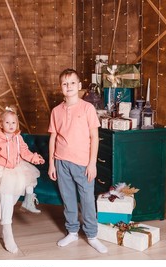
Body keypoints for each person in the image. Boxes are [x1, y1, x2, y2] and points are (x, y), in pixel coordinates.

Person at [47, 68, 108, 254]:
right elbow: (53, 137)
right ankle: (72, 231)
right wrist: (51, 163)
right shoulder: (56, 111)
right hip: (61, 161)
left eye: (72, 83)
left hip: (83, 162)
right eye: (65, 84)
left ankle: (92, 235)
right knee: (68, 198)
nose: (69, 86)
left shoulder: (87, 108)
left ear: (79, 86)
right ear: (60, 88)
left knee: (87, 199)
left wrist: (92, 163)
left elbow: (94, 136)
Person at [0, 106, 45, 253]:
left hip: (16, 169)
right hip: (1, 170)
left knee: (13, 198)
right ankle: (7, 231)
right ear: (1, 124)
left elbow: (25, 152)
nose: (11, 125)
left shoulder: (18, 138)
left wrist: (34, 158)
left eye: (13, 122)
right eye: (7, 123)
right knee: (6, 196)